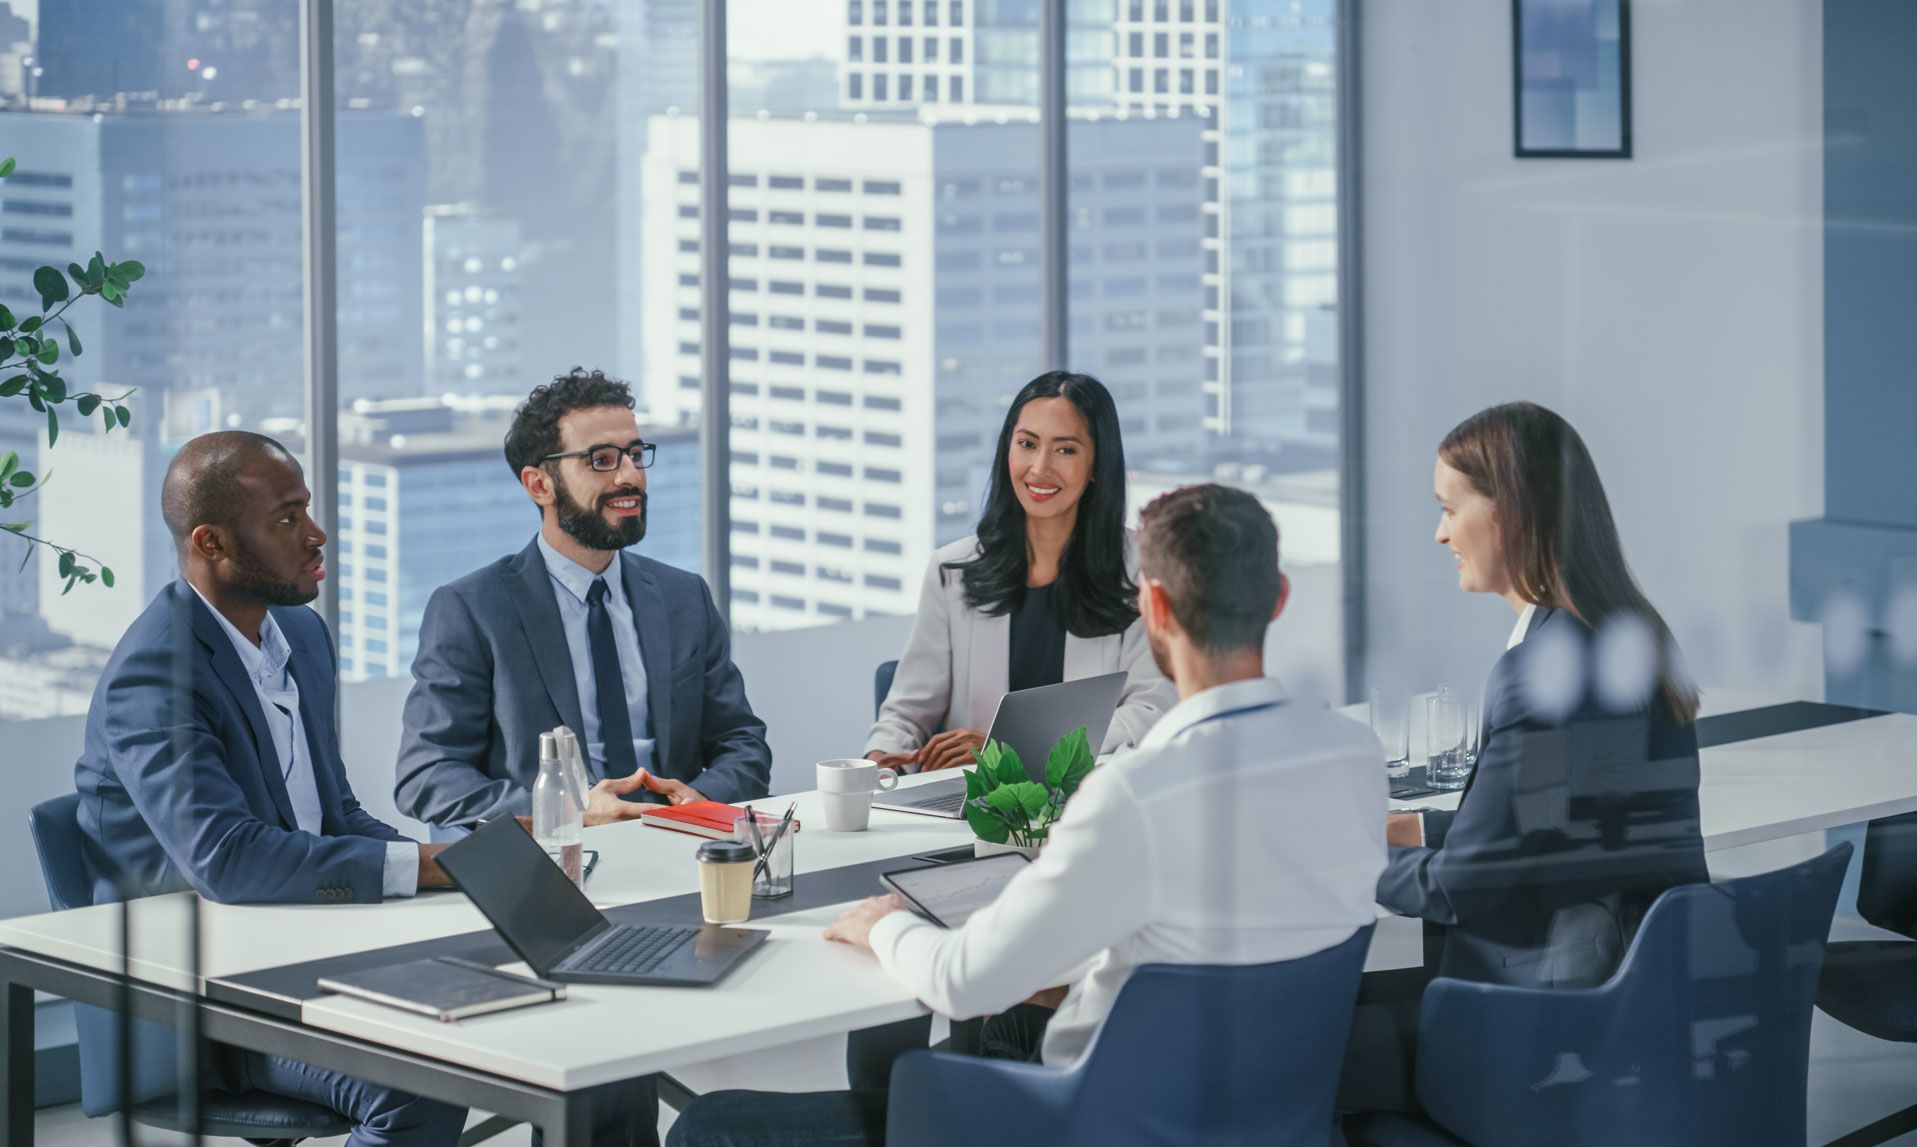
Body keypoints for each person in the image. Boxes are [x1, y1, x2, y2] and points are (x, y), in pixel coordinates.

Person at [667, 484, 1388, 1147]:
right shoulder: (1355, 758)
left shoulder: (1135, 795)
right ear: (1281, 596)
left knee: (711, 1125)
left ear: (1157, 608)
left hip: (1077, 1122)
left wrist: (881, 920)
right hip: (1260, 1120)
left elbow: (961, 981)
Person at [73, 431, 466, 1147]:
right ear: (211, 542)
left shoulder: (300, 635)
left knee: (539, 1016)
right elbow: (228, 859)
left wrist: (455, 864)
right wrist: (425, 867)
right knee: (427, 1085)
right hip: (206, 1000)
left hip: (306, 950)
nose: (317, 534)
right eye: (286, 518)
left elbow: (335, 813)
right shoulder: (154, 676)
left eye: (307, 508)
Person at [1338, 401, 1710, 1118]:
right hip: (1640, 999)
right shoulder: (1631, 634)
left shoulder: (1542, 671)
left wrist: (1343, 853)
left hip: (1544, 1023)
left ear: (1510, 512)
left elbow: (1458, 890)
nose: (1439, 531)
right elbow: (1549, 819)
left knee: (1316, 1044)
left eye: (1450, 508)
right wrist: (1408, 828)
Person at [848, 370, 1176, 1079]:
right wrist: (882, 761)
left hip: (1081, 828)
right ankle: (908, 1093)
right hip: (966, 833)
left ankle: (996, 1073)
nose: (1039, 467)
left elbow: (1152, 710)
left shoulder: (1137, 572)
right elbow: (906, 711)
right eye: (1026, 444)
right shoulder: (954, 571)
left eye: (1065, 449)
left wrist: (1017, 755)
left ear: (1096, 466)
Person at [394, 367, 772, 832]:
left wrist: (700, 802)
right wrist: (569, 811)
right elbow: (426, 776)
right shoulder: (472, 609)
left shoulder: (683, 596)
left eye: (635, 455)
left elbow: (741, 740)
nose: (630, 477)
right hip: (555, 860)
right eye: (602, 460)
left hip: (681, 842)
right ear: (539, 485)